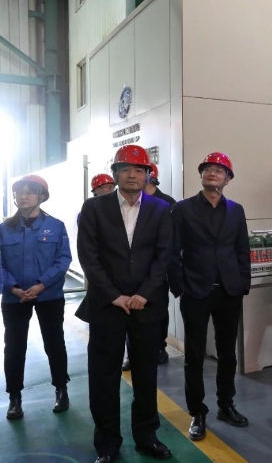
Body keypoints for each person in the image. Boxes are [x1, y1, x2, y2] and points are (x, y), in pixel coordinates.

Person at [76, 145, 173, 462]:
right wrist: (113, 295)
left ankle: (147, 437)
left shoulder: (160, 209)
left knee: (146, 377)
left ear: (148, 175)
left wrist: (144, 293)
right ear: (116, 173)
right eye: (126, 169)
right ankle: (107, 444)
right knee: (103, 378)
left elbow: (163, 256)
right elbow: (88, 256)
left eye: (139, 169)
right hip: (107, 306)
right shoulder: (94, 207)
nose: (133, 174)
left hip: (147, 306)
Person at [169, 152, 251, 442]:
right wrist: (180, 286)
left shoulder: (236, 210)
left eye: (219, 170)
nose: (213, 173)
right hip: (195, 291)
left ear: (228, 179)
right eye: (208, 169)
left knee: (228, 353)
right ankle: (197, 412)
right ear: (201, 175)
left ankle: (226, 404)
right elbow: (172, 252)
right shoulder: (182, 209)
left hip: (229, 291)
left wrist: (243, 283)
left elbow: (242, 249)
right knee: (194, 355)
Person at [1, 175, 72, 420]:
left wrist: (41, 285)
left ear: (41, 196)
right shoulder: (4, 229)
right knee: (14, 346)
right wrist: (12, 287)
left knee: (54, 343)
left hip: (48, 296)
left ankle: (61, 389)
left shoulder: (56, 226)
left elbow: (63, 260)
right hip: (15, 298)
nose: (22, 196)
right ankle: (14, 397)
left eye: (29, 192)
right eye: (19, 192)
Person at [140, 162, 176, 367]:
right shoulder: (131, 202)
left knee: (159, 307)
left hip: (160, 266)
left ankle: (159, 347)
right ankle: (133, 352)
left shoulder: (167, 203)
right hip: (136, 267)